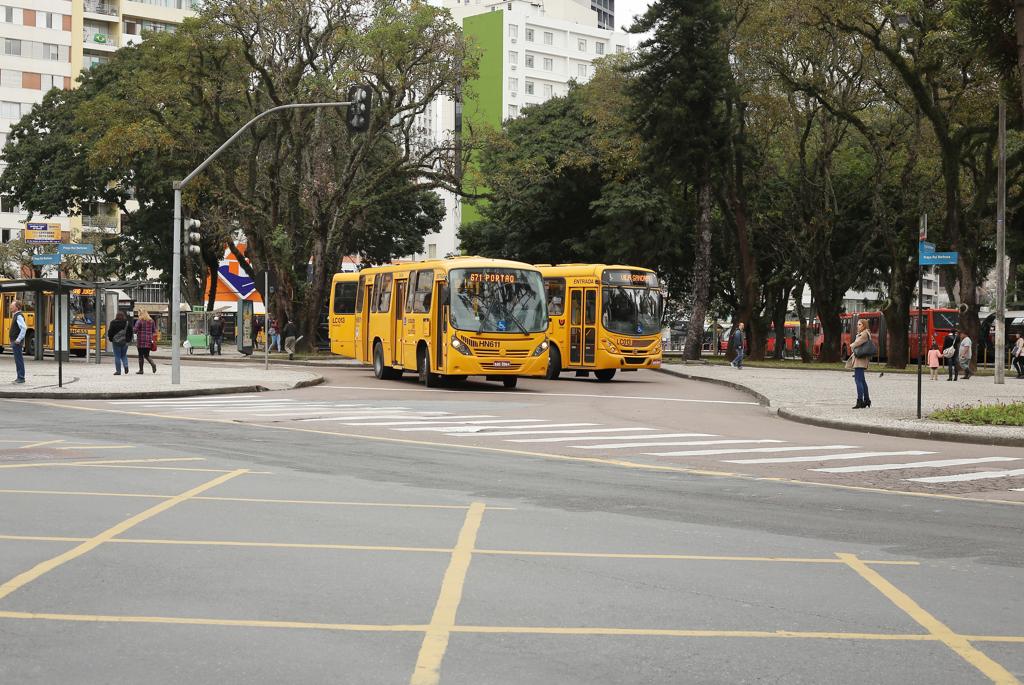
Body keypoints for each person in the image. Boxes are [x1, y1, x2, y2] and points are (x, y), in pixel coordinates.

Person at [848, 318, 873, 408]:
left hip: (860, 360)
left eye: (860, 324)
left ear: (864, 325)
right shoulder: (864, 333)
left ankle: (860, 401)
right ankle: (866, 400)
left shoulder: (864, 334)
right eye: (858, 324)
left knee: (858, 380)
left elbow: (856, 343)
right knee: (862, 380)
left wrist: (851, 345)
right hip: (861, 359)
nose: (858, 326)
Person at [133, 308, 158, 374]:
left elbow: (135, 330)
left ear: (140, 314)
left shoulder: (139, 321)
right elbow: (154, 331)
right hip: (148, 340)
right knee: (147, 355)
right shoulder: (151, 321)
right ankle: (153, 364)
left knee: (140, 355)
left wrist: (134, 329)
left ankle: (141, 370)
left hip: (141, 341)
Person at [106, 311, 131, 376]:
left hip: (116, 342)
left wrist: (111, 339)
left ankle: (118, 371)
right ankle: (126, 366)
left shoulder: (113, 323)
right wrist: (128, 340)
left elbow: (110, 332)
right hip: (125, 342)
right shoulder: (127, 323)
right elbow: (130, 332)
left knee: (117, 356)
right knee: (124, 355)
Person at [8, 299, 27, 384]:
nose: (10, 307)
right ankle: (19, 377)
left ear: (17, 307)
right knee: (18, 360)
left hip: (17, 342)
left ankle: (21, 378)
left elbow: (24, 328)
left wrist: (18, 339)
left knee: (19, 360)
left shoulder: (18, 316)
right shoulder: (16, 315)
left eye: (12, 306)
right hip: (15, 341)